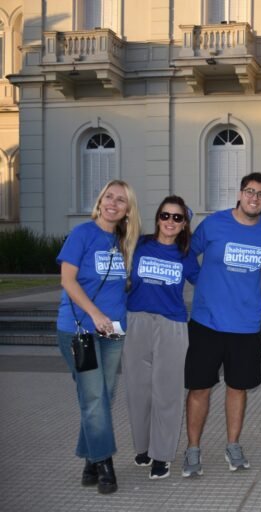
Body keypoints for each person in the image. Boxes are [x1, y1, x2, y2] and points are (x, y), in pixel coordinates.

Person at [182, 172, 261, 477]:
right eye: (250, 192)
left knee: (238, 388)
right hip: (207, 323)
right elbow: (186, 253)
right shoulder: (213, 223)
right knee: (200, 388)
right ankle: (193, 449)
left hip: (246, 326)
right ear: (240, 194)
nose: (255, 198)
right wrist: (202, 282)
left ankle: (233, 445)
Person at [56, 180, 141, 494]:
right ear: (100, 200)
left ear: (127, 209)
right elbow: (67, 279)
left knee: (102, 396)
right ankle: (105, 463)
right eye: (109, 197)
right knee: (93, 397)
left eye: (121, 200)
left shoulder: (123, 242)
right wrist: (95, 314)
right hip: (80, 329)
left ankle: (90, 461)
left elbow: (124, 285)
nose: (113, 203)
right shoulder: (82, 234)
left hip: (114, 331)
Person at [123, 196, 199, 479]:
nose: (170, 221)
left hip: (172, 325)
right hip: (137, 320)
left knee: (167, 392)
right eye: (166, 216)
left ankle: (162, 455)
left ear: (184, 225)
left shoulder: (186, 254)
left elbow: (205, 282)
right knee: (138, 390)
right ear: (157, 218)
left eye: (178, 218)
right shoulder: (139, 245)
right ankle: (142, 448)